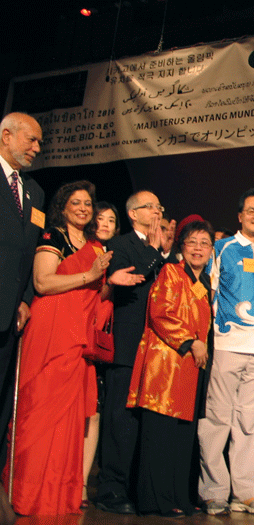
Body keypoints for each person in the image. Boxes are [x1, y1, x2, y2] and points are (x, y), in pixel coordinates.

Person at [5, 181, 139, 515]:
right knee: (41, 412)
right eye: (75, 202)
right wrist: (91, 275)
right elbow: (42, 282)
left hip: (79, 337)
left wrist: (110, 284)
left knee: (69, 420)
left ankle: (57, 494)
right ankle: (28, 493)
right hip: (51, 333)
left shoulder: (94, 246)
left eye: (87, 204)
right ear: (62, 206)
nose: (82, 208)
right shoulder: (53, 236)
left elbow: (91, 295)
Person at [198, 187, 254, 516]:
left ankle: (246, 490)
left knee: (250, 421)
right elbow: (206, 291)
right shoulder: (221, 248)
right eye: (251, 211)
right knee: (217, 418)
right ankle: (214, 490)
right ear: (240, 216)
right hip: (227, 343)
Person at [127, 220, 214, 516]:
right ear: (181, 247)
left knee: (181, 437)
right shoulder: (171, 272)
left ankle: (179, 497)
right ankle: (156, 501)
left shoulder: (204, 284)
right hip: (166, 367)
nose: (198, 248)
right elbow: (160, 313)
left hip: (190, 369)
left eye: (204, 243)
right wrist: (192, 342)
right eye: (192, 242)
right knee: (161, 437)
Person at [95, 190, 175, 515]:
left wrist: (163, 253)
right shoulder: (120, 244)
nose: (157, 211)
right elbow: (138, 276)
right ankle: (111, 490)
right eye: (150, 206)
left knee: (146, 424)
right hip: (128, 347)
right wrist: (156, 251)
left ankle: (141, 489)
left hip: (158, 351)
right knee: (120, 421)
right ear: (133, 213)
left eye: (159, 206)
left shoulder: (164, 250)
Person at [0, 113, 44, 478]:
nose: (36, 148)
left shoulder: (35, 192)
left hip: (12, 315)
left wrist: (27, 298)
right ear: (6, 135)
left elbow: (29, 254)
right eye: (31, 140)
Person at [82, 201, 121, 507]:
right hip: (82, 336)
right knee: (84, 413)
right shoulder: (86, 250)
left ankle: (82, 482)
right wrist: (111, 283)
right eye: (101, 218)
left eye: (111, 220)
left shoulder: (115, 254)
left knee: (95, 413)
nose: (106, 223)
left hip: (103, 342)